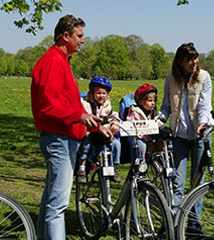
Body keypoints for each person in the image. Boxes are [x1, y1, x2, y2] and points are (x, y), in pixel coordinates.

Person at [31, 15, 112, 240]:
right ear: (65, 36)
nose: (82, 40)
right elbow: (49, 107)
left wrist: (95, 127)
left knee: (50, 200)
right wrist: (79, 115)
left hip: (66, 137)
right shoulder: (52, 62)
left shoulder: (62, 61)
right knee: (58, 205)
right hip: (58, 140)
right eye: (79, 36)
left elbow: (73, 106)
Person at [160, 42, 214, 230]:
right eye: (189, 59)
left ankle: (193, 225)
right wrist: (158, 122)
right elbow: (166, 106)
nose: (194, 62)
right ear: (180, 61)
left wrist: (202, 123)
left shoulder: (203, 77)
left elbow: (205, 105)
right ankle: (174, 223)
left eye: (195, 57)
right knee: (177, 182)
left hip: (200, 135)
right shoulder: (171, 79)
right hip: (179, 136)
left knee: (197, 184)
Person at [77, 76, 121, 178]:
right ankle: (82, 165)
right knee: (87, 143)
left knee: (116, 144)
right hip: (89, 132)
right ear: (92, 93)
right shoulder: (84, 103)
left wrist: (115, 124)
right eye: (98, 93)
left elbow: (113, 116)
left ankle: (114, 166)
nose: (101, 96)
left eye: (104, 93)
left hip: (103, 132)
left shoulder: (107, 105)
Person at [126, 83, 158, 161]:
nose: (153, 103)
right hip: (137, 137)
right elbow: (131, 125)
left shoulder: (153, 113)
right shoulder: (134, 112)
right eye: (150, 101)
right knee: (141, 145)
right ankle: (141, 164)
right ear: (140, 102)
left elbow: (157, 123)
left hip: (149, 137)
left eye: (154, 101)